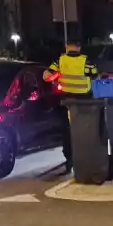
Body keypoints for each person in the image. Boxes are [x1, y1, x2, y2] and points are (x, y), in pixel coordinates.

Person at [43, 41, 99, 173]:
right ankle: (85, 157)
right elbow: (95, 74)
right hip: (84, 100)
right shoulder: (86, 61)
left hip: (66, 100)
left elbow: (46, 77)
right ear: (79, 47)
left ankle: (69, 159)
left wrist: (58, 76)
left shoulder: (60, 61)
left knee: (67, 130)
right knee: (85, 129)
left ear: (67, 47)